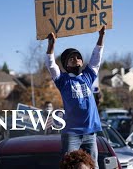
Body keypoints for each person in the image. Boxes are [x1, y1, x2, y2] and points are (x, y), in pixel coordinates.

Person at [45, 25, 106, 168]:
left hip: (90, 132)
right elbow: (51, 65)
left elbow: (96, 57)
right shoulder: (63, 80)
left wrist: (101, 36)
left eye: (78, 57)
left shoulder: (88, 76)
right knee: (69, 166)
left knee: (93, 166)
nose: (76, 59)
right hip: (71, 133)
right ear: (65, 64)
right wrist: (51, 45)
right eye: (71, 58)